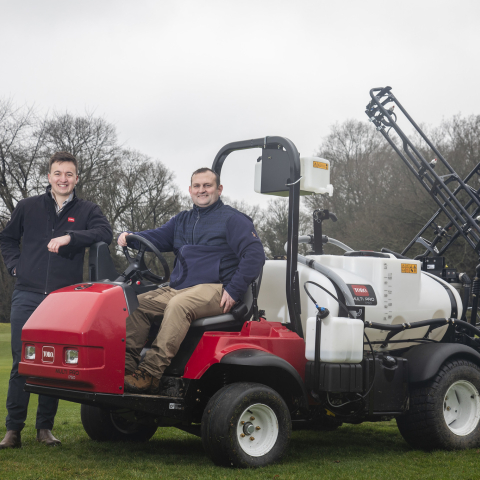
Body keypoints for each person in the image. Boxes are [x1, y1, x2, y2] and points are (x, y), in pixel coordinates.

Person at [0, 151, 113, 449]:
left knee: (52, 364)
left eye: (69, 174)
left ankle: (44, 429)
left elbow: (105, 232)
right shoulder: (28, 206)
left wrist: (70, 238)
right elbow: (7, 238)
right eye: (58, 173)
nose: (63, 179)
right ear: (49, 176)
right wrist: (15, 266)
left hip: (63, 299)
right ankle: (13, 430)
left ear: (77, 178)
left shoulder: (88, 209)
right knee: (22, 363)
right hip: (27, 293)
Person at [118, 167, 265, 394]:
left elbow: (255, 255)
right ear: (190, 190)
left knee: (179, 305)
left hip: (216, 289)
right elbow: (157, 237)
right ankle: (126, 371)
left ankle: (150, 373)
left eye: (207, 185)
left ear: (219, 189)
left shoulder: (233, 220)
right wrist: (131, 237)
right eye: (197, 186)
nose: (202, 190)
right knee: (136, 304)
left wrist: (234, 290)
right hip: (180, 288)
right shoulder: (182, 221)